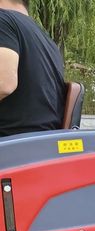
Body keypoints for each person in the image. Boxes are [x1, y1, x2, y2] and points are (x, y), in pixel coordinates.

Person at [0, 0, 65, 137]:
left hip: (10, 140)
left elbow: (4, 84)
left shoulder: (3, 20)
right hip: (39, 139)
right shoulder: (47, 40)